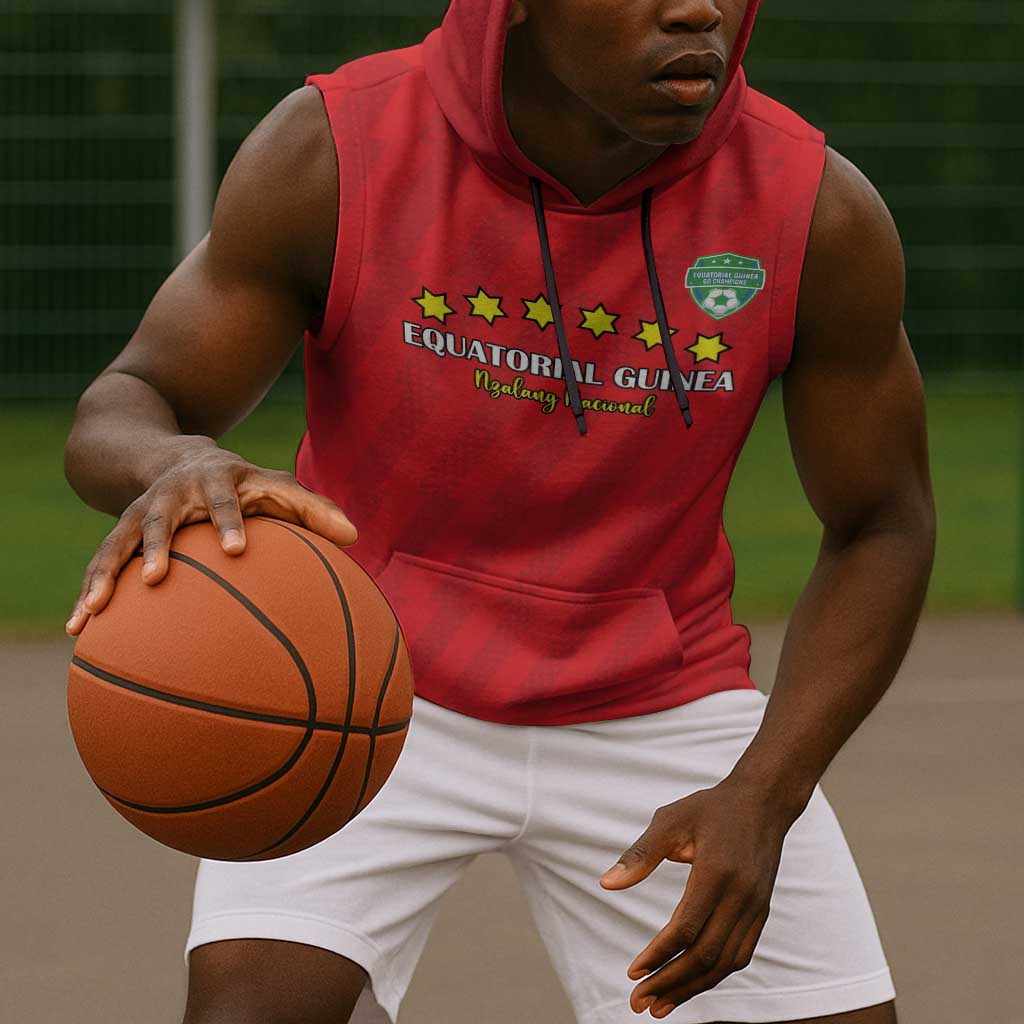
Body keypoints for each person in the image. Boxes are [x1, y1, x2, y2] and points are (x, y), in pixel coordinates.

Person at [63, 0, 935, 1021]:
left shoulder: (811, 209)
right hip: (360, 675)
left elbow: (885, 520)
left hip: (659, 698)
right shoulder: (340, 148)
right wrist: (177, 460)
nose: (698, 8)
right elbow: (127, 401)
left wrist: (765, 794)